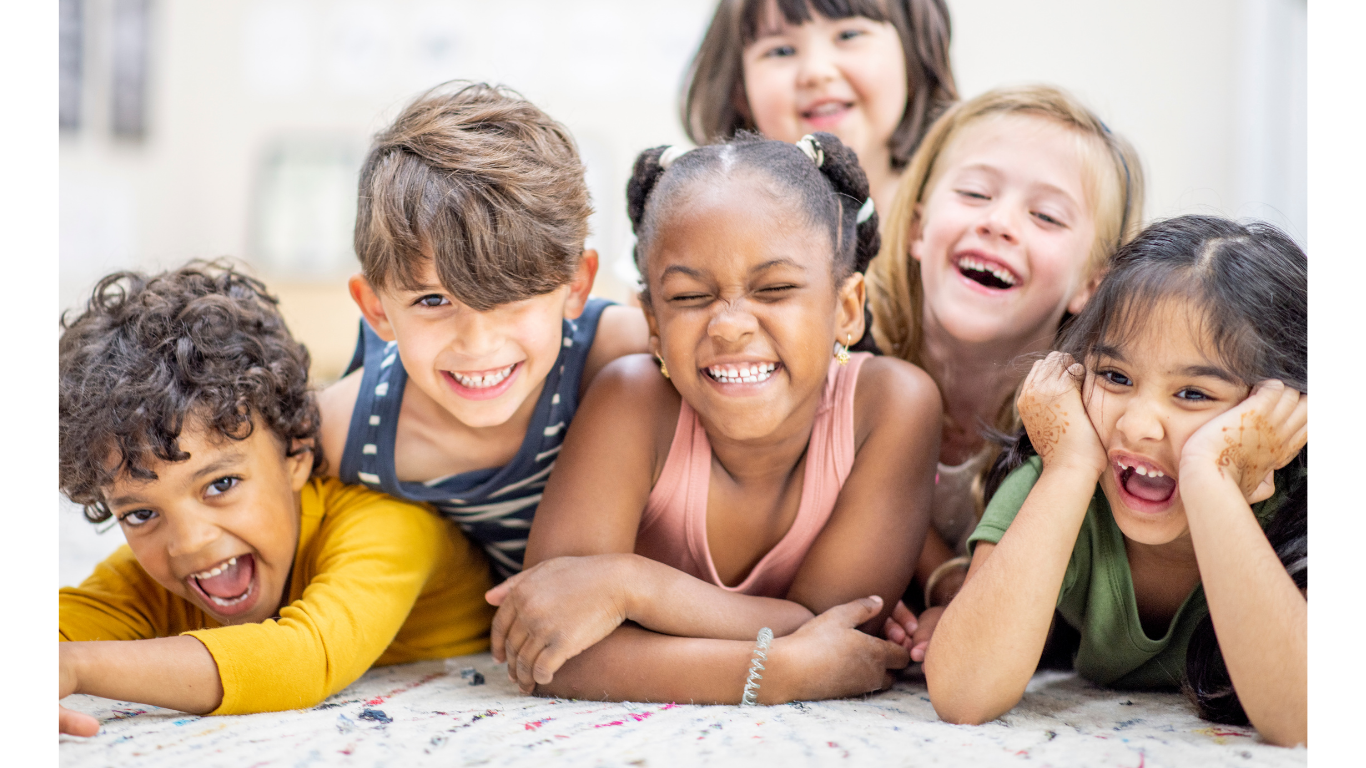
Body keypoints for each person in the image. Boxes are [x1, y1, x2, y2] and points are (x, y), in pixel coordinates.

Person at [484, 131, 942, 705]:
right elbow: (547, 643)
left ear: (846, 310)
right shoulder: (632, 402)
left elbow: (839, 628)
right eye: (688, 297)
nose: (729, 325)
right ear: (651, 322)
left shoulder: (892, 406)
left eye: (774, 289)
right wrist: (776, 672)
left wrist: (633, 589)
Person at [924, 216, 1311, 747]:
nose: (1135, 425)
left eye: (1194, 394)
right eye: (1116, 378)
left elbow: (1306, 716)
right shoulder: (1061, 477)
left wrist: (1210, 480)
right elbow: (963, 694)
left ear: (1287, 411)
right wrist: (1069, 470)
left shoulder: (1308, 504)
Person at [57, 264, 494, 735]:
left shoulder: (389, 523)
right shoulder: (152, 581)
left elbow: (303, 658)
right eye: (141, 513)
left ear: (296, 451)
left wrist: (81, 665)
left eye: (220, 485)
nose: (189, 544)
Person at [317, 83, 648, 578]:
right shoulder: (348, 431)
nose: (478, 343)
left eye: (511, 297)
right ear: (377, 309)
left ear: (576, 285)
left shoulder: (621, 354)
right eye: (433, 300)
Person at [867, 85, 1145, 657]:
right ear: (918, 228)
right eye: (974, 193)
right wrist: (940, 579)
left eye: (1045, 216)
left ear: (1092, 282)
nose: (999, 223)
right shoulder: (851, 351)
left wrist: (963, 599)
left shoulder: (1086, 418)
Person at [681, 0, 956, 223]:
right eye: (781, 51)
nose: (816, 71)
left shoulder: (958, 220)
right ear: (738, 90)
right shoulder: (715, 232)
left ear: (913, 58)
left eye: (849, 35)